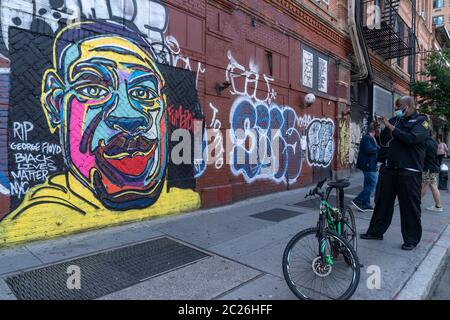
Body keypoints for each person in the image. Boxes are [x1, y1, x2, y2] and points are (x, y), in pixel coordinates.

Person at [0, 21, 200, 243]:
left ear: (162, 106)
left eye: (143, 93)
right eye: (94, 90)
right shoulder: (30, 219)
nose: (131, 118)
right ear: (55, 104)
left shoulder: (187, 199)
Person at [360, 96, 430, 251]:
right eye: (396, 106)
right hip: (389, 169)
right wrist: (380, 129)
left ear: (409, 106)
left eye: (400, 106)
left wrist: (390, 126)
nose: (397, 109)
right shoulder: (394, 120)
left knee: (409, 207)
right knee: (382, 203)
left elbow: (412, 139)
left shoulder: (421, 121)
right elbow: (384, 142)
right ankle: (376, 232)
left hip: (409, 171)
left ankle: (411, 239)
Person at [352, 123, 380, 212]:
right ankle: (358, 200)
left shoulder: (371, 138)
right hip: (368, 165)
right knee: (373, 184)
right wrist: (379, 148)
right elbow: (369, 150)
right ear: (374, 130)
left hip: (371, 164)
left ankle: (365, 204)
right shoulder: (367, 138)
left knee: (368, 184)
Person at [422, 133, 443, 212]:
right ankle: (438, 206)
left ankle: (438, 206)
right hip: (432, 167)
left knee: (430, 186)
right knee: (429, 186)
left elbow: (424, 156)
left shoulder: (426, 143)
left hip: (428, 168)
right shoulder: (433, 142)